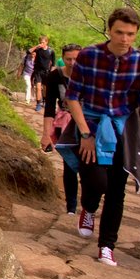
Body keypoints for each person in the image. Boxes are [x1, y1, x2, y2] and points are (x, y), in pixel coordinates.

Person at [66, 7, 140, 267]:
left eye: (130, 34)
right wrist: (85, 134)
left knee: (116, 190)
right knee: (96, 181)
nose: (124, 39)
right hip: (89, 121)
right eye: (119, 32)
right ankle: (88, 208)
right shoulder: (89, 56)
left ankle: (107, 246)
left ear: (136, 35)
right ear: (109, 30)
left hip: (121, 126)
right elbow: (73, 97)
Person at [41, 43, 83, 215]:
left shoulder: (91, 76)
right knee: (70, 164)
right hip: (65, 124)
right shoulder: (55, 77)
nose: (73, 63)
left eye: (77, 59)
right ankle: (71, 207)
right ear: (62, 59)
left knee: (89, 166)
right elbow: (49, 107)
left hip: (89, 124)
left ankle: (88, 206)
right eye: (69, 59)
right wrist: (45, 134)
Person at [32, 36, 56, 111]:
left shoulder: (51, 51)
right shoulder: (38, 49)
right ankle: (38, 103)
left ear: (46, 42)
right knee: (38, 87)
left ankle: (44, 101)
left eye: (43, 42)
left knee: (45, 88)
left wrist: (51, 72)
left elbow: (53, 63)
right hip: (38, 71)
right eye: (40, 42)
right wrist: (36, 46)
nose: (41, 43)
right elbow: (28, 51)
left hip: (46, 72)